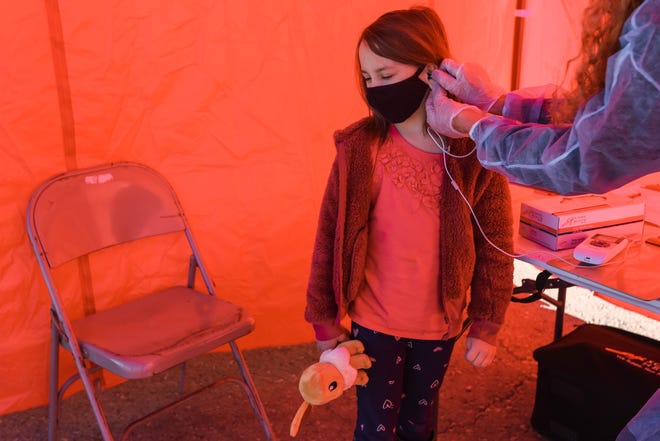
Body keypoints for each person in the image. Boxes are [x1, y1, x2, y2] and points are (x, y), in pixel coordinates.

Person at [304, 7, 514, 441]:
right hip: (373, 322)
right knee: (375, 429)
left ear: (431, 72)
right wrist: (324, 319)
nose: (375, 88)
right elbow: (329, 236)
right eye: (367, 78)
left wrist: (487, 322)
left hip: (439, 325)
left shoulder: (474, 153)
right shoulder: (359, 148)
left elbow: (494, 240)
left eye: (386, 73)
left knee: (419, 423)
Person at [426, 0, 660, 196]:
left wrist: (474, 124)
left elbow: (583, 158)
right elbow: (607, 117)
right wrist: (499, 104)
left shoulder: (653, 32)